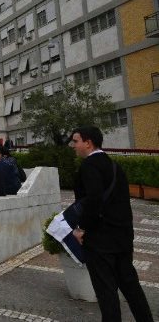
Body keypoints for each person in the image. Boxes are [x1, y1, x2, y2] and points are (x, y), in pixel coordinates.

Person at [70, 127, 152, 322]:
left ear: (88, 143)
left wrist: (81, 228)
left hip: (100, 241)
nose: (73, 146)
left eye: (76, 141)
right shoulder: (114, 165)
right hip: (122, 237)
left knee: (107, 292)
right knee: (130, 286)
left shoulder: (89, 166)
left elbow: (94, 200)